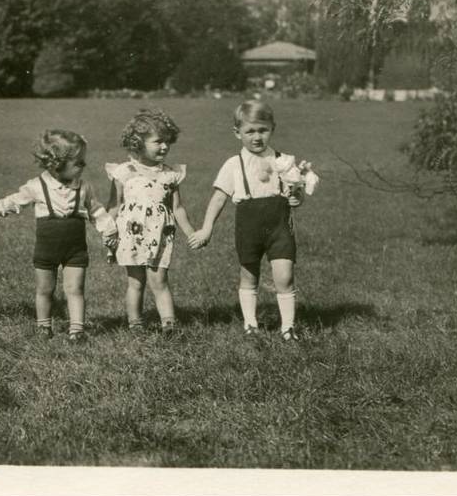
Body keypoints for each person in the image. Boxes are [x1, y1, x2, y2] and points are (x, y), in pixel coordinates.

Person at [0, 130, 116, 343]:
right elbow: (14, 201)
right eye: (78, 163)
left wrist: (109, 231)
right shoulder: (37, 186)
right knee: (45, 289)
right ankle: (43, 327)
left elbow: (96, 211)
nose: (83, 166)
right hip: (47, 249)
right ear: (57, 164)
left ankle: (77, 331)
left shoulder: (83, 187)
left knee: (75, 289)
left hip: (75, 249)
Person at [190, 100, 317, 341]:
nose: (257, 137)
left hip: (279, 227)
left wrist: (296, 198)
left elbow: (296, 195)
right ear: (237, 133)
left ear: (272, 128)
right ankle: (251, 324)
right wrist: (207, 229)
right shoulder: (233, 165)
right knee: (249, 275)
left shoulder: (284, 161)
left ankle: (288, 328)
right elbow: (218, 199)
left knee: (285, 275)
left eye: (263, 130)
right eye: (250, 131)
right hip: (249, 228)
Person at [106, 109, 196, 335]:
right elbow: (114, 205)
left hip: (160, 235)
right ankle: (135, 325)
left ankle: (169, 325)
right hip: (131, 235)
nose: (165, 147)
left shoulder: (170, 174)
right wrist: (108, 231)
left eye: (168, 142)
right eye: (158, 142)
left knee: (160, 280)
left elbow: (178, 208)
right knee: (135, 282)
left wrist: (190, 232)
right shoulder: (124, 172)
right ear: (138, 143)